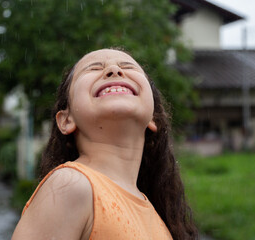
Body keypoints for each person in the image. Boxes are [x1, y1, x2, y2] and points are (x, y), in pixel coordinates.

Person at [12, 48, 198, 240]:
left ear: (154, 118)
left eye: (127, 67)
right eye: (93, 68)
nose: (113, 70)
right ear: (66, 120)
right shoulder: (70, 185)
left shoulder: (158, 217)